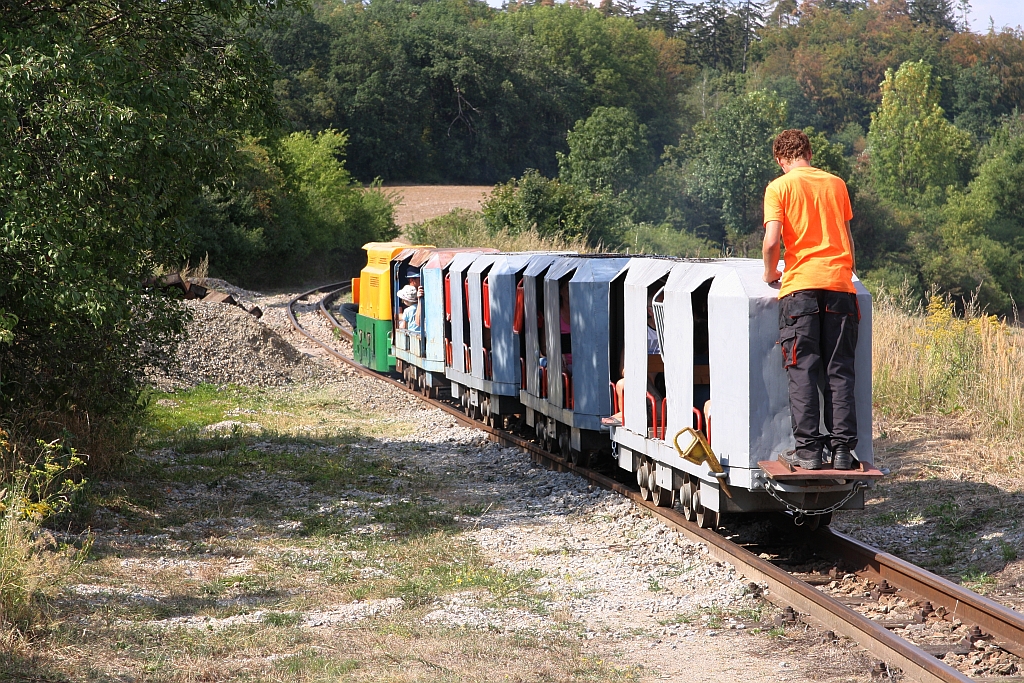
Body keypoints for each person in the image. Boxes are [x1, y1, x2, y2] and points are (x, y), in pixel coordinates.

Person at [762, 129, 858, 471]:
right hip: (840, 287)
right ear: (810, 153)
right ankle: (844, 451)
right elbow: (847, 240)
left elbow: (773, 242)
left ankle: (809, 452)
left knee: (802, 368)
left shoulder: (779, 187)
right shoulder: (837, 184)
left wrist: (770, 273)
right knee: (839, 370)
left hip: (800, 290)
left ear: (780, 159)